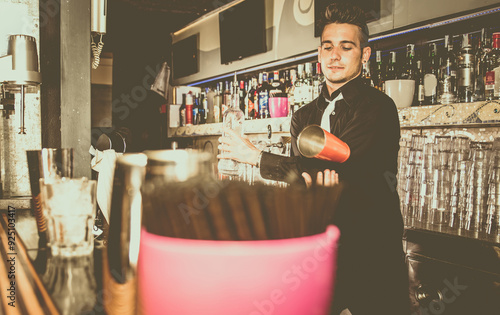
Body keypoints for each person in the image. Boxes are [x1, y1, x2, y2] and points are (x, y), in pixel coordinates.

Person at [218, 2, 410, 314]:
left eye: (346, 47)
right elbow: (303, 181)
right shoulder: (303, 115)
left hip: (371, 248)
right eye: (328, 47)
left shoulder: (377, 107)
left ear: (365, 55)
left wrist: (256, 157)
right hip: (318, 250)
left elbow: (347, 171)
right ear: (319, 54)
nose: (335, 56)